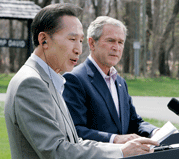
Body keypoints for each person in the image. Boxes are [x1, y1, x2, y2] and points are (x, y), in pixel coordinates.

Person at [4, 4, 158, 159]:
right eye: (72, 39)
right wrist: (120, 151)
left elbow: (74, 142)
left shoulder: (50, 80)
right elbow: (56, 150)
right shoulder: (31, 83)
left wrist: (122, 147)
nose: (78, 49)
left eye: (80, 40)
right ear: (44, 40)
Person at [63, 16, 159, 144]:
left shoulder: (120, 82)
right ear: (92, 43)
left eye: (120, 42)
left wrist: (155, 131)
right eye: (111, 41)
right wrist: (114, 139)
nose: (116, 47)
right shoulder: (74, 79)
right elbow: (74, 131)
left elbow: (134, 121)